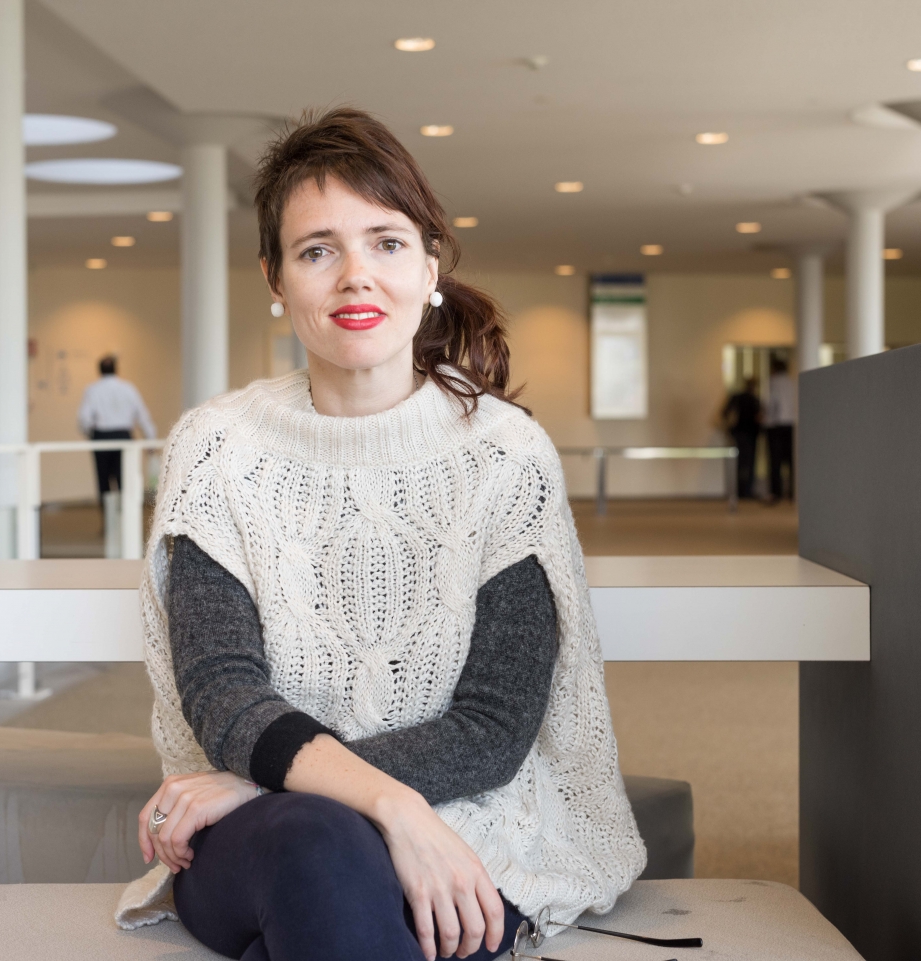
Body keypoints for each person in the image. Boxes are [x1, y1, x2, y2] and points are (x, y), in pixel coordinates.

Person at [126, 108, 644, 961]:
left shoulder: (506, 458)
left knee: (337, 916)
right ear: (276, 277)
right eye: (318, 249)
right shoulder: (217, 450)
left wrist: (263, 775)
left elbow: (492, 726)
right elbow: (222, 696)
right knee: (318, 849)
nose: (355, 277)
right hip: (265, 831)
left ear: (430, 263)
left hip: (466, 816)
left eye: (387, 242)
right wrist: (390, 805)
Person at [77, 355, 156, 508]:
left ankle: (108, 521)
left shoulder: (92, 389)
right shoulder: (128, 388)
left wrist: (91, 434)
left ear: (99, 370)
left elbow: (84, 418)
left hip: (101, 437)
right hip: (123, 436)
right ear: (116, 369)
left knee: (103, 480)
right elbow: (142, 415)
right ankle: (125, 517)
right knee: (124, 479)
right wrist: (150, 439)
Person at [722, 376, 762, 500]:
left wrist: (730, 428)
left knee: (741, 463)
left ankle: (741, 491)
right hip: (749, 434)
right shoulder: (753, 399)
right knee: (748, 463)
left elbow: (725, 412)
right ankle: (746, 491)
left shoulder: (738, 397)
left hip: (741, 433)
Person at [763, 356, 796, 504]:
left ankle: (776, 493)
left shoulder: (774, 382)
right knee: (791, 460)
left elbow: (772, 404)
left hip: (776, 425)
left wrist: (766, 419)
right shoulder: (791, 382)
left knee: (775, 461)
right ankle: (793, 492)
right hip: (791, 424)